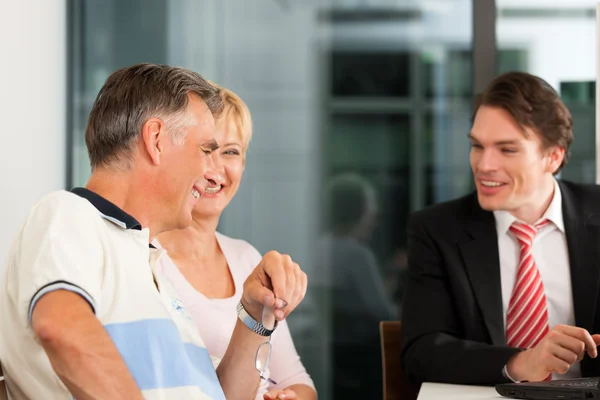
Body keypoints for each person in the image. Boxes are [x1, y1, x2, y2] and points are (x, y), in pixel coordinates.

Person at [0, 63, 307, 400]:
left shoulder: (146, 263)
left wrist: (252, 314)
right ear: (157, 140)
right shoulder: (67, 215)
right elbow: (61, 329)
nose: (211, 171)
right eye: (205, 150)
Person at [401, 71, 600, 385]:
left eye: (507, 150)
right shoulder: (438, 229)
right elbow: (421, 351)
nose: (484, 165)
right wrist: (520, 363)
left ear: (553, 157)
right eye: (477, 146)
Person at [155, 85, 316, 400]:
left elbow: (298, 380)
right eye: (204, 150)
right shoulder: (146, 261)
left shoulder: (245, 257)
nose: (216, 170)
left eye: (231, 152)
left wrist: (289, 397)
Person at [314, 172, 394, 398]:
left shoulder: (320, 247)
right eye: (371, 206)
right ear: (358, 211)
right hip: (365, 356)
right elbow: (385, 313)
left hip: (336, 355)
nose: (375, 214)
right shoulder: (357, 254)